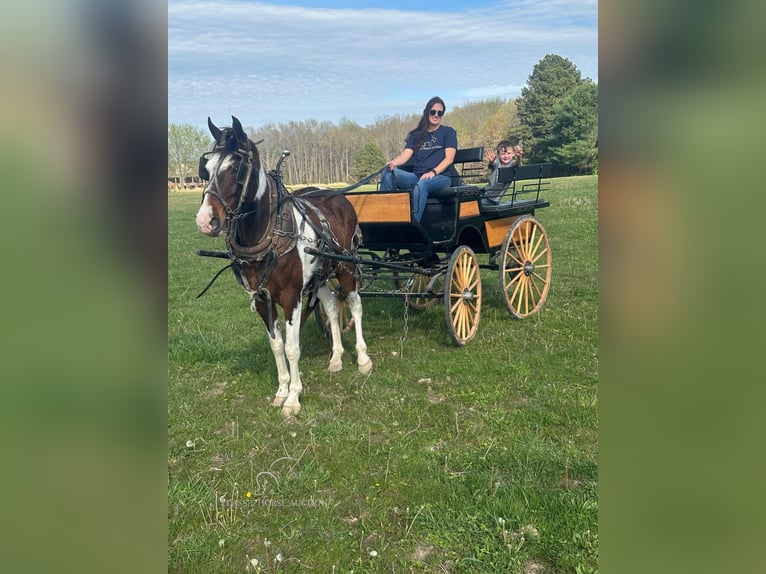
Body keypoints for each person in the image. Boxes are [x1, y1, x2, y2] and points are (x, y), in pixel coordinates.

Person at [380, 96, 458, 222]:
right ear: (427, 112)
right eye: (433, 112)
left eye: (440, 112)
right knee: (388, 173)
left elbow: (449, 159)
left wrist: (432, 173)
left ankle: (413, 226)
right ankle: (388, 217)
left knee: (421, 185)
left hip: (441, 177)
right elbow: (405, 156)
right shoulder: (416, 135)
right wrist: (393, 163)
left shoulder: (448, 132)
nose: (436, 115)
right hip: (417, 176)